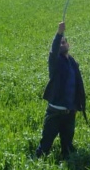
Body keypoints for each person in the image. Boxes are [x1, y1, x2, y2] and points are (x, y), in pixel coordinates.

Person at [36, 21, 86, 159]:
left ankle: (68, 163)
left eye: (64, 42)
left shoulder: (72, 62)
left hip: (69, 112)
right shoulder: (55, 62)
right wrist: (59, 34)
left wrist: (77, 105)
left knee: (67, 146)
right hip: (55, 111)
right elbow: (53, 50)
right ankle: (37, 162)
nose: (61, 44)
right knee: (45, 145)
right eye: (60, 43)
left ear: (68, 45)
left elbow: (76, 85)